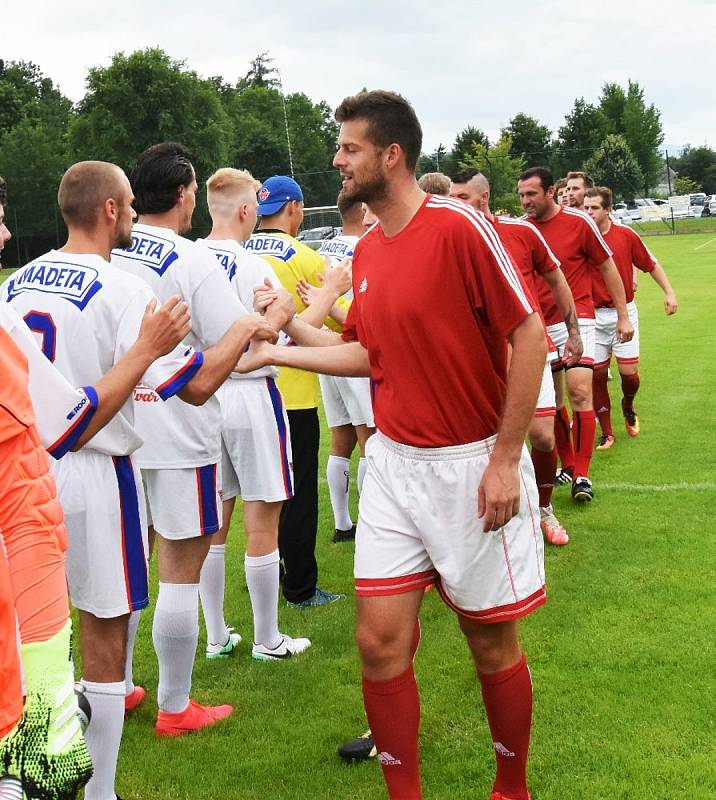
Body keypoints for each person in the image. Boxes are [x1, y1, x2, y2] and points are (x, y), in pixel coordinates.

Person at [240, 89, 547, 800]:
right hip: (394, 467)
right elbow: (370, 354)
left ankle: (511, 787)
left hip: (471, 464)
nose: (336, 159)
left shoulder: (460, 229)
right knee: (378, 643)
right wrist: (282, 349)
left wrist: (505, 461)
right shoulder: (370, 248)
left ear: (390, 154)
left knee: (489, 642)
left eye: (347, 147)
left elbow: (527, 333)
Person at [2, 158, 266, 796]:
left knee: (29, 635)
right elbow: (198, 384)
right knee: (105, 627)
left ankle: (31, 759)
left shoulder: (15, 283)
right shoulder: (125, 292)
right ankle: (99, 787)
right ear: (113, 210)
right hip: (93, 467)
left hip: (21, 468)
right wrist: (247, 327)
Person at [111, 144, 280, 738]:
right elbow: (226, 354)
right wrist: (255, 320)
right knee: (178, 565)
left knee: (128, 567)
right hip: (179, 426)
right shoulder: (190, 258)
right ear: (184, 193)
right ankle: (175, 706)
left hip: (114, 428)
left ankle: (118, 686)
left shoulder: (109, 251)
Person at [196, 166, 311, 660]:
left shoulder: (188, 259)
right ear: (247, 210)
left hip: (202, 397)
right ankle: (268, 638)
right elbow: (272, 332)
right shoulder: (250, 266)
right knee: (263, 514)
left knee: (214, 520)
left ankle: (218, 635)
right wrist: (280, 313)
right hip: (250, 391)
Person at [449, 169, 582, 545]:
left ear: (484, 197)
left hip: (526, 352)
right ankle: (461, 532)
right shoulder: (451, 240)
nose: (455, 206)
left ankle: (544, 509)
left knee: (541, 436)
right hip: (476, 362)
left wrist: (573, 332)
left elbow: (556, 279)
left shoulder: (521, 233)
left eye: (462, 198)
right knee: (471, 447)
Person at [244, 175, 345, 609]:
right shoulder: (305, 256)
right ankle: (301, 587)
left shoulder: (238, 251)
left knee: (253, 494)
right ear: (295, 209)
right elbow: (347, 321)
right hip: (294, 392)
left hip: (245, 391)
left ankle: (260, 575)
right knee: (297, 493)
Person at [517, 166, 633, 502]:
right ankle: (567, 464)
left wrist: (624, 316)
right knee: (552, 403)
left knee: (580, 391)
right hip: (540, 325)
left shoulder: (578, 222)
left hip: (579, 318)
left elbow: (607, 265)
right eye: (522, 195)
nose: (525, 201)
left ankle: (582, 474)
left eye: (531, 195)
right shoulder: (523, 230)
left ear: (550, 191)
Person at [299, 192, 376, 542]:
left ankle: (343, 524)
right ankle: (372, 523)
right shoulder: (366, 249)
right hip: (352, 351)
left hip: (324, 355)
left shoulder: (320, 251)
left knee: (340, 441)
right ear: (364, 213)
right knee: (370, 441)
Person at [583, 187, 678, 447]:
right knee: (597, 375)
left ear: (608, 210)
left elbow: (650, 264)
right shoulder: (579, 237)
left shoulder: (625, 235)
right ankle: (607, 432)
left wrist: (669, 293)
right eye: (586, 207)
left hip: (624, 312)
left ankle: (628, 404)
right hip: (591, 316)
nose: (588, 212)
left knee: (629, 373)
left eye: (594, 208)